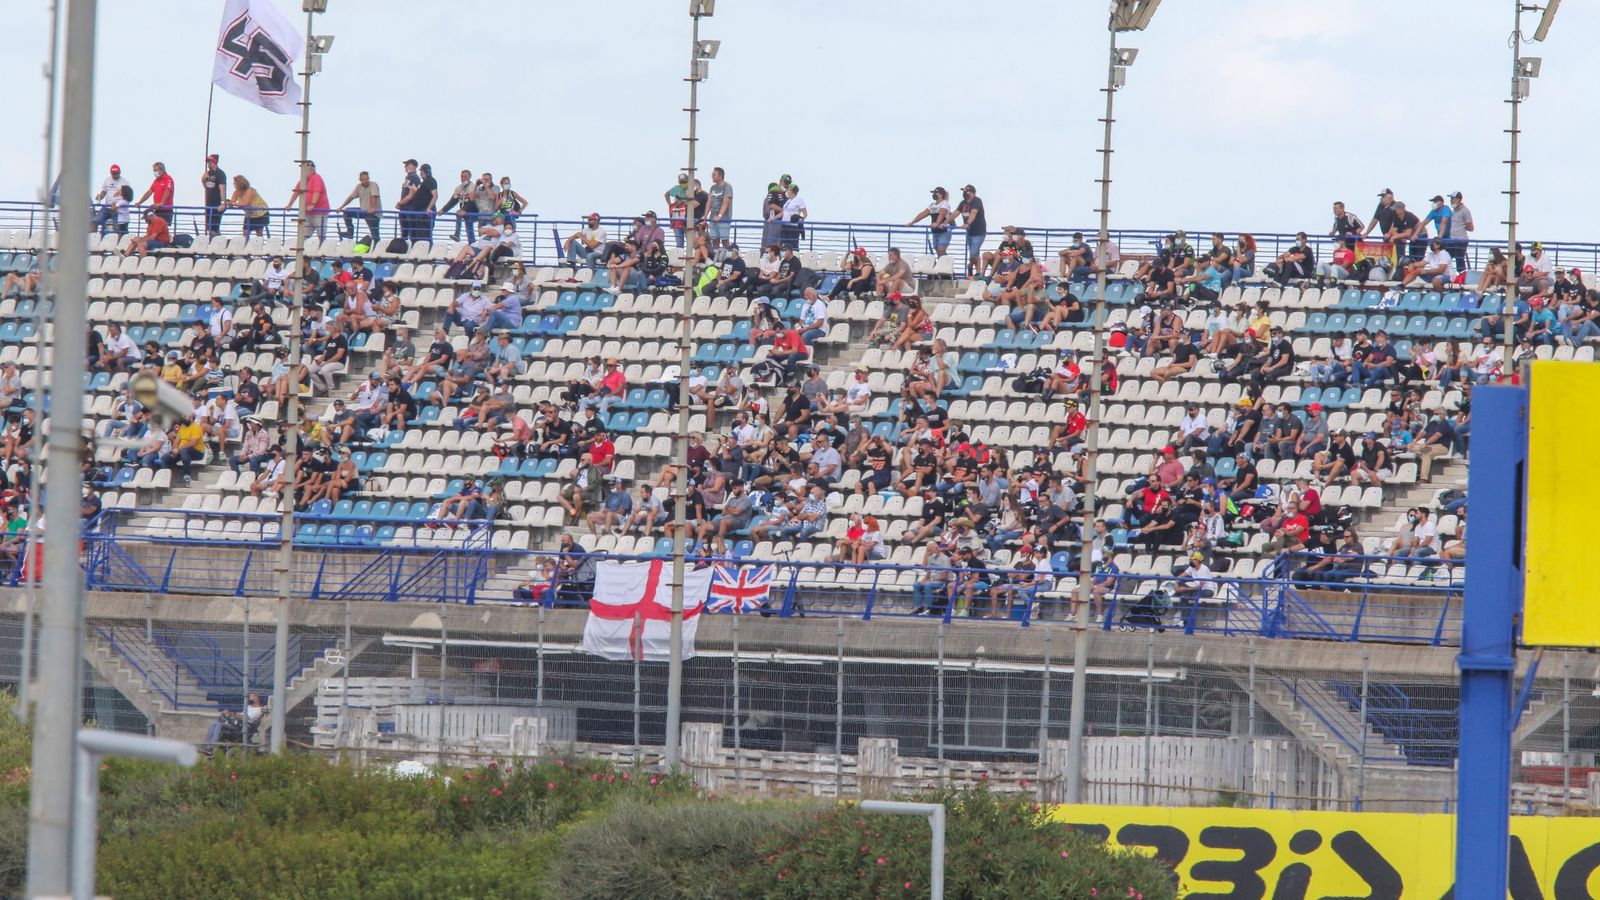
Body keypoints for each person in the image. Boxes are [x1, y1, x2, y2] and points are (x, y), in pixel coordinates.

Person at [336, 170, 383, 243]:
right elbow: (351, 197)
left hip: (373, 214)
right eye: (364, 179)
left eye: (367, 179)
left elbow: (375, 196)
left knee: (375, 235)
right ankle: (350, 232)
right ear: (360, 180)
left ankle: (377, 249)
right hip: (364, 211)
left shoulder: (373, 185)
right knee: (347, 211)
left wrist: (373, 208)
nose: (366, 181)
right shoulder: (359, 186)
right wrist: (341, 207)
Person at [907, 186, 955, 256]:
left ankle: (944, 263)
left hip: (944, 231)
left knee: (941, 249)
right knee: (936, 248)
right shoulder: (932, 205)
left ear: (941, 194)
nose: (934, 194)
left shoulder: (944, 203)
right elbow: (923, 214)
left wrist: (937, 223)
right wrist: (912, 222)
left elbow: (942, 214)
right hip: (935, 231)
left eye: (936, 193)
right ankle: (941, 263)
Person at [955, 184, 987, 277]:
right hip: (970, 233)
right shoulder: (963, 203)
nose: (964, 193)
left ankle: (970, 266)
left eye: (966, 191)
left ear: (971, 192)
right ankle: (978, 272)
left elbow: (973, 213)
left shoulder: (977, 200)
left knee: (973, 253)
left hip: (979, 232)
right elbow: (955, 213)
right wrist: (945, 222)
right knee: (975, 252)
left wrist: (967, 223)